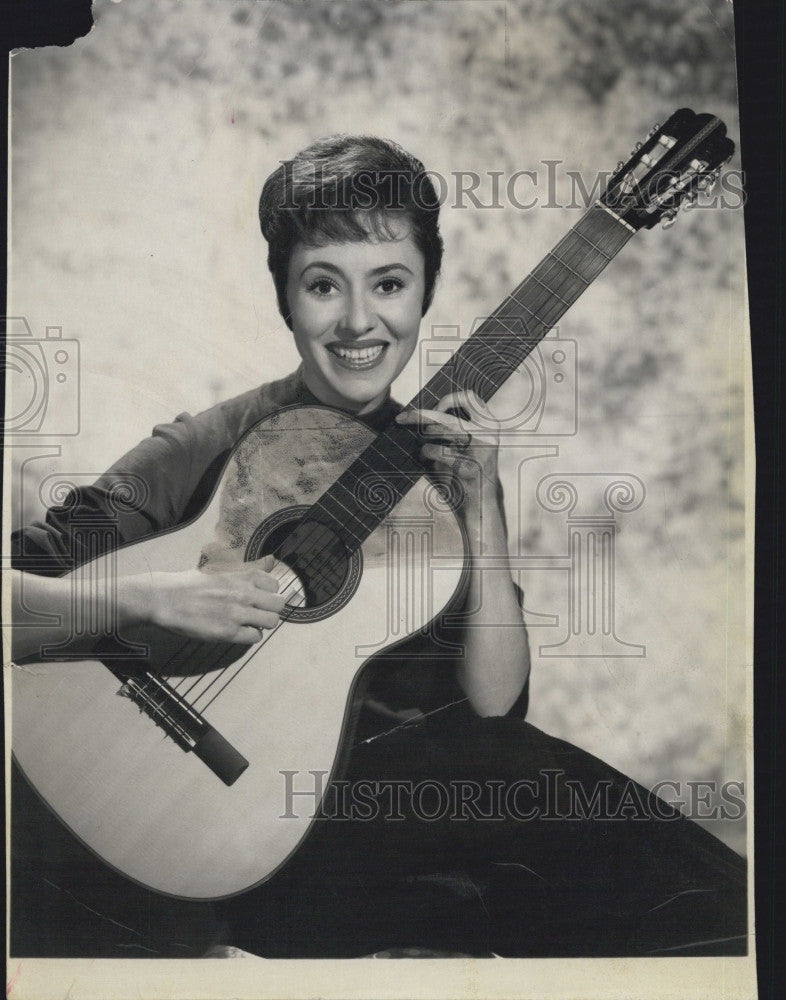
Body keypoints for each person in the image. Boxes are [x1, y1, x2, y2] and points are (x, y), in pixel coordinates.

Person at [9, 135, 747, 959]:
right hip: (211, 819)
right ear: (286, 296)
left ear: (426, 290)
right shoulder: (210, 442)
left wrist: (481, 513)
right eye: (324, 285)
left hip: (366, 839)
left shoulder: (448, 468)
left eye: (389, 284)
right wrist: (153, 595)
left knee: (623, 852)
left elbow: (497, 709)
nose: (359, 322)